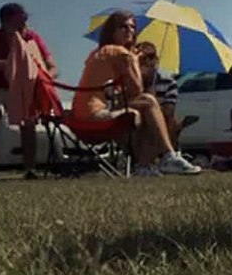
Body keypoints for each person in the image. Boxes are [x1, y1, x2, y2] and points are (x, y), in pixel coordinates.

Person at [72, 10, 200, 176]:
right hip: (95, 116)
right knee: (149, 101)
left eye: (132, 27)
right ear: (112, 31)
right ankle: (168, 157)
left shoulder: (100, 52)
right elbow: (137, 89)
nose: (129, 31)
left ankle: (145, 166)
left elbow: (125, 93)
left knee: (146, 111)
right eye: (123, 27)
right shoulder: (120, 53)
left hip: (80, 117)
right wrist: (134, 60)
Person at [0, 3, 54, 181]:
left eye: (25, 20)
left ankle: (30, 169)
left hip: (23, 87)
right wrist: (9, 65)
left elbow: (50, 65)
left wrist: (43, 77)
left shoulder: (31, 38)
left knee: (28, 123)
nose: (24, 25)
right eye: (20, 21)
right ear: (5, 21)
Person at [134, 41, 187, 147]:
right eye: (142, 58)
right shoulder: (130, 80)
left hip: (158, 125)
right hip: (135, 125)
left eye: (151, 56)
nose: (147, 61)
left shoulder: (169, 83)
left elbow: (168, 111)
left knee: (167, 122)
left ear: (156, 60)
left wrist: (152, 100)